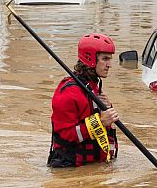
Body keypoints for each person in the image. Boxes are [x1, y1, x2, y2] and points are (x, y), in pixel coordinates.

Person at [48, 33, 119, 167]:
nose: (110, 65)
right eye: (105, 59)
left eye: (110, 59)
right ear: (90, 59)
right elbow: (65, 135)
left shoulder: (93, 87)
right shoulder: (68, 93)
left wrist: (108, 109)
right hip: (69, 168)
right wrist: (100, 121)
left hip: (93, 166)